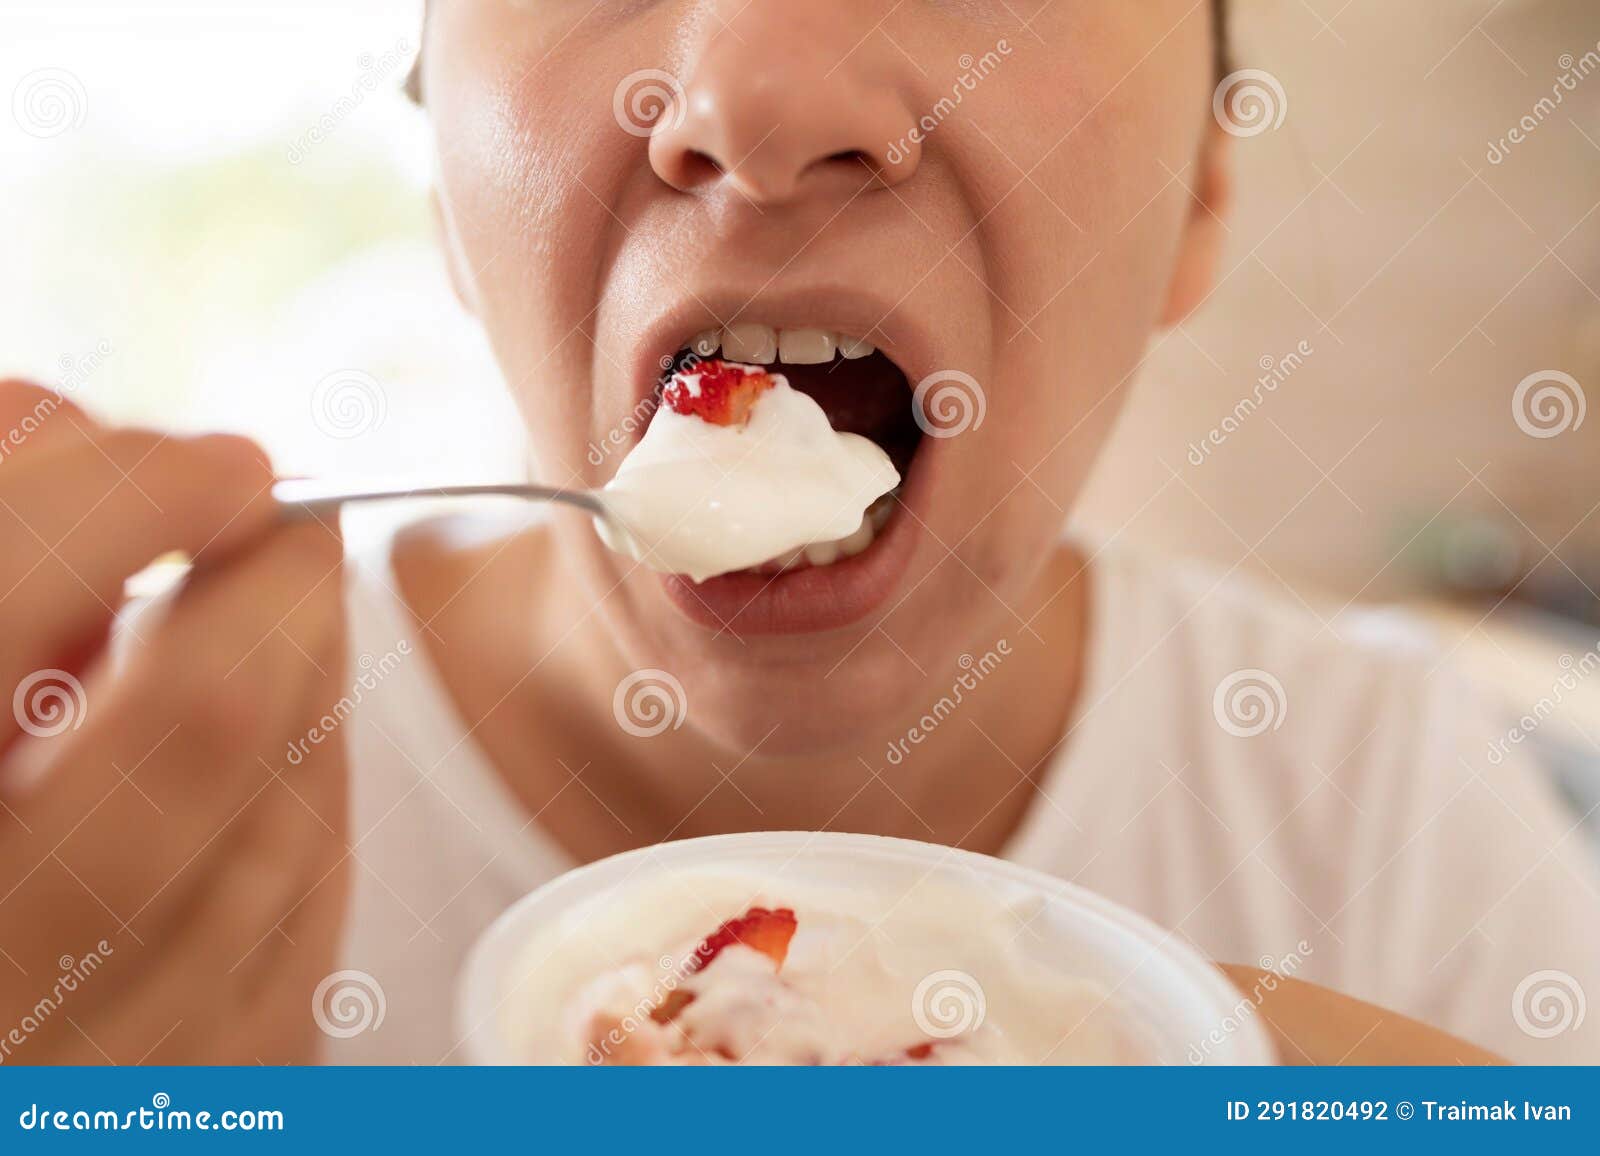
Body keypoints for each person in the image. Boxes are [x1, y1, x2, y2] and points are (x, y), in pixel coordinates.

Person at [1, 1, 1596, 1066]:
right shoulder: (96, 809)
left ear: (1198, 194)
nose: (757, 103)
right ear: (446, 207)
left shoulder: (1388, 812)